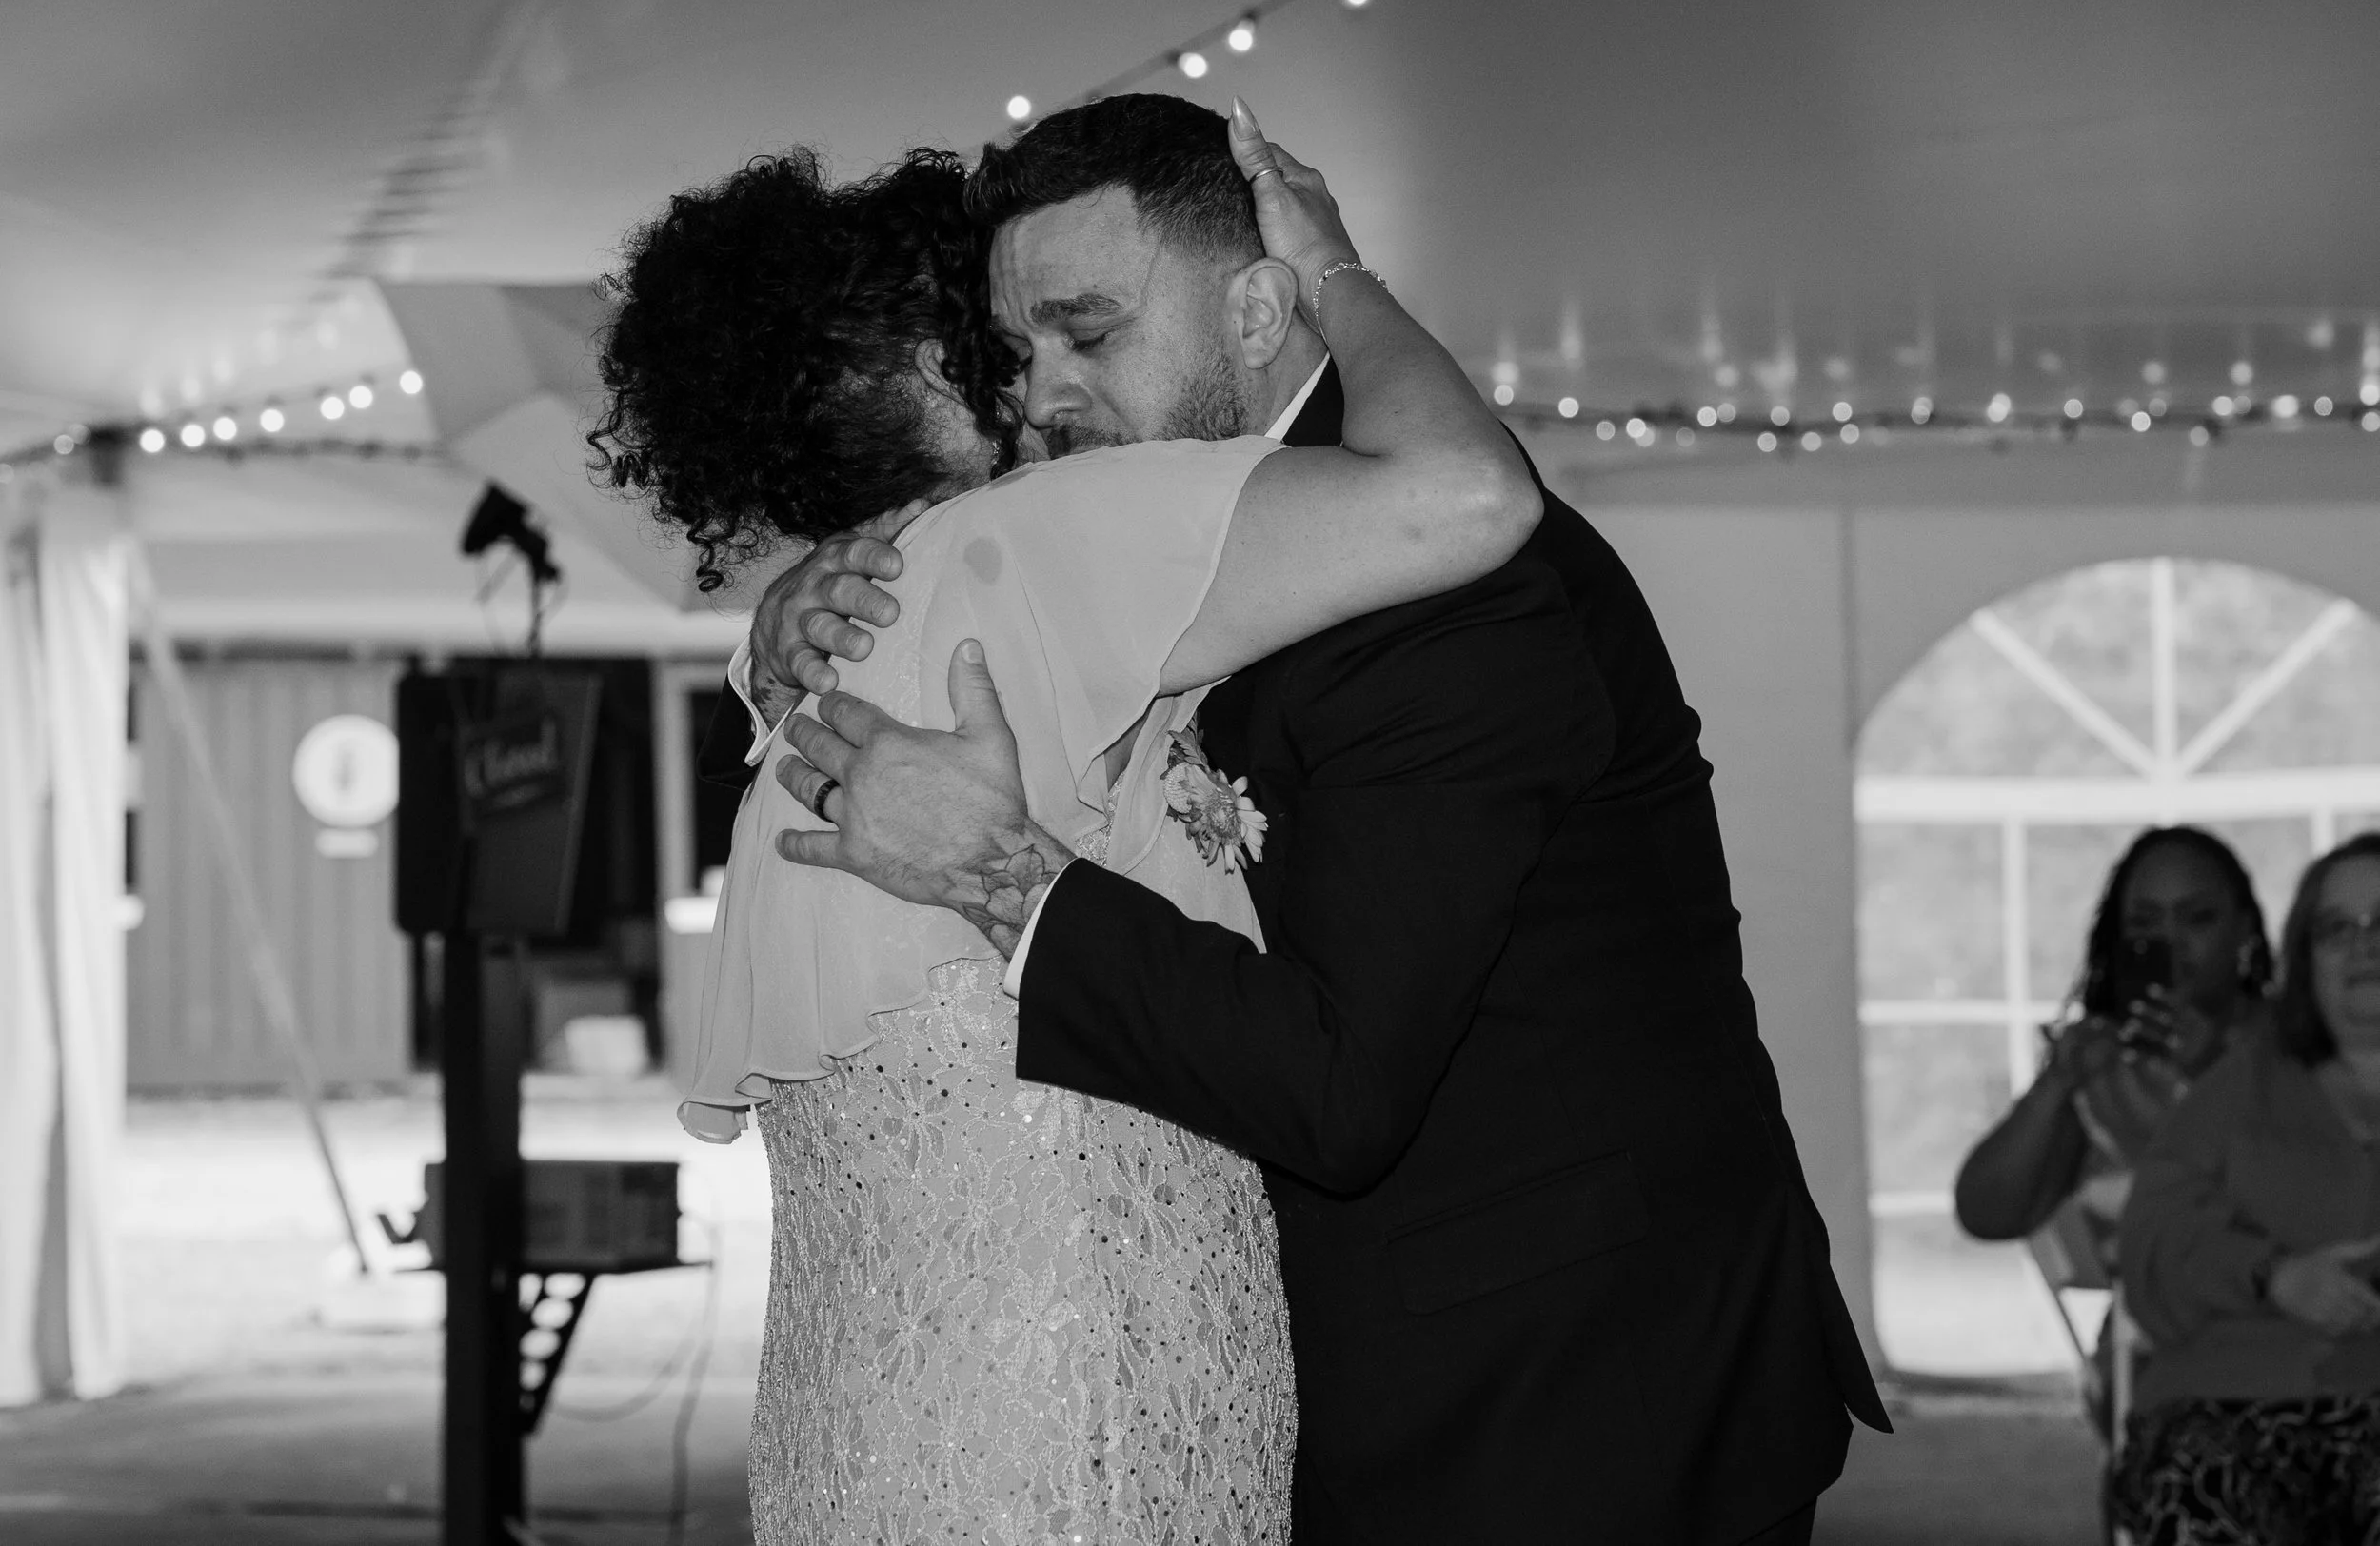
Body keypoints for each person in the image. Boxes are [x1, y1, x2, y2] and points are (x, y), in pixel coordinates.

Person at [758, 92, 1889, 1544]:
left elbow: (1338, 1083)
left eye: (1090, 333)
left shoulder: (1432, 575)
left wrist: (992, 866)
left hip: (1568, 1393)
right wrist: (823, 582)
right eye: (1020, 348)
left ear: (1256, 313)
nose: (1036, 396)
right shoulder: (1196, 523)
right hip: (1412, 1357)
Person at [591, 117, 1541, 1542]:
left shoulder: (819, 671)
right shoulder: (1045, 537)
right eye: (1001, 336)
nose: (1043, 380)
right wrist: (1336, 272)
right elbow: (1465, 495)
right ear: (918, 366)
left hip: (865, 1435)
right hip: (1076, 1407)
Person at [2111, 832, 2380, 1546]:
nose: (2364, 946)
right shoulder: (2238, 1087)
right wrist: (2273, 1274)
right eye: (2336, 929)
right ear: (2304, 956)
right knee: (2198, 1489)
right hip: (2233, 1391)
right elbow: (2154, 1244)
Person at [1955, 826, 2275, 1247]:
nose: (2170, 942)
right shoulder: (2110, 1066)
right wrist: (2057, 1083)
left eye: (2197, 918)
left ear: (2244, 927)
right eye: (2145, 922)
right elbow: (1987, 1214)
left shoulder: (2293, 1040)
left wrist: (2209, 1076)